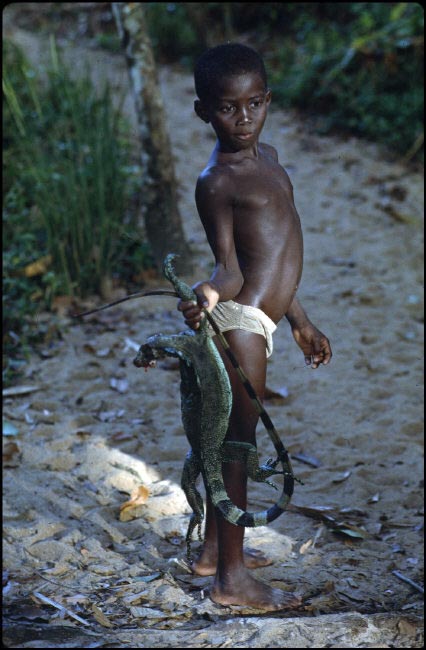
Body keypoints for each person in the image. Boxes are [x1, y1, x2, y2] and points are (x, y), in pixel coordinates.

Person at [178, 43, 332, 612]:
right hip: (238, 322)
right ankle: (231, 581)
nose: (242, 119)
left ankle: (215, 554)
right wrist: (208, 296)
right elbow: (231, 268)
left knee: (231, 448)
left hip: (266, 320)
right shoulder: (216, 181)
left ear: (267, 100)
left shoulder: (268, 157)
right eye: (226, 108)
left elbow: (277, 254)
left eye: (253, 104)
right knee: (234, 450)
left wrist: (300, 320)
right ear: (203, 112)